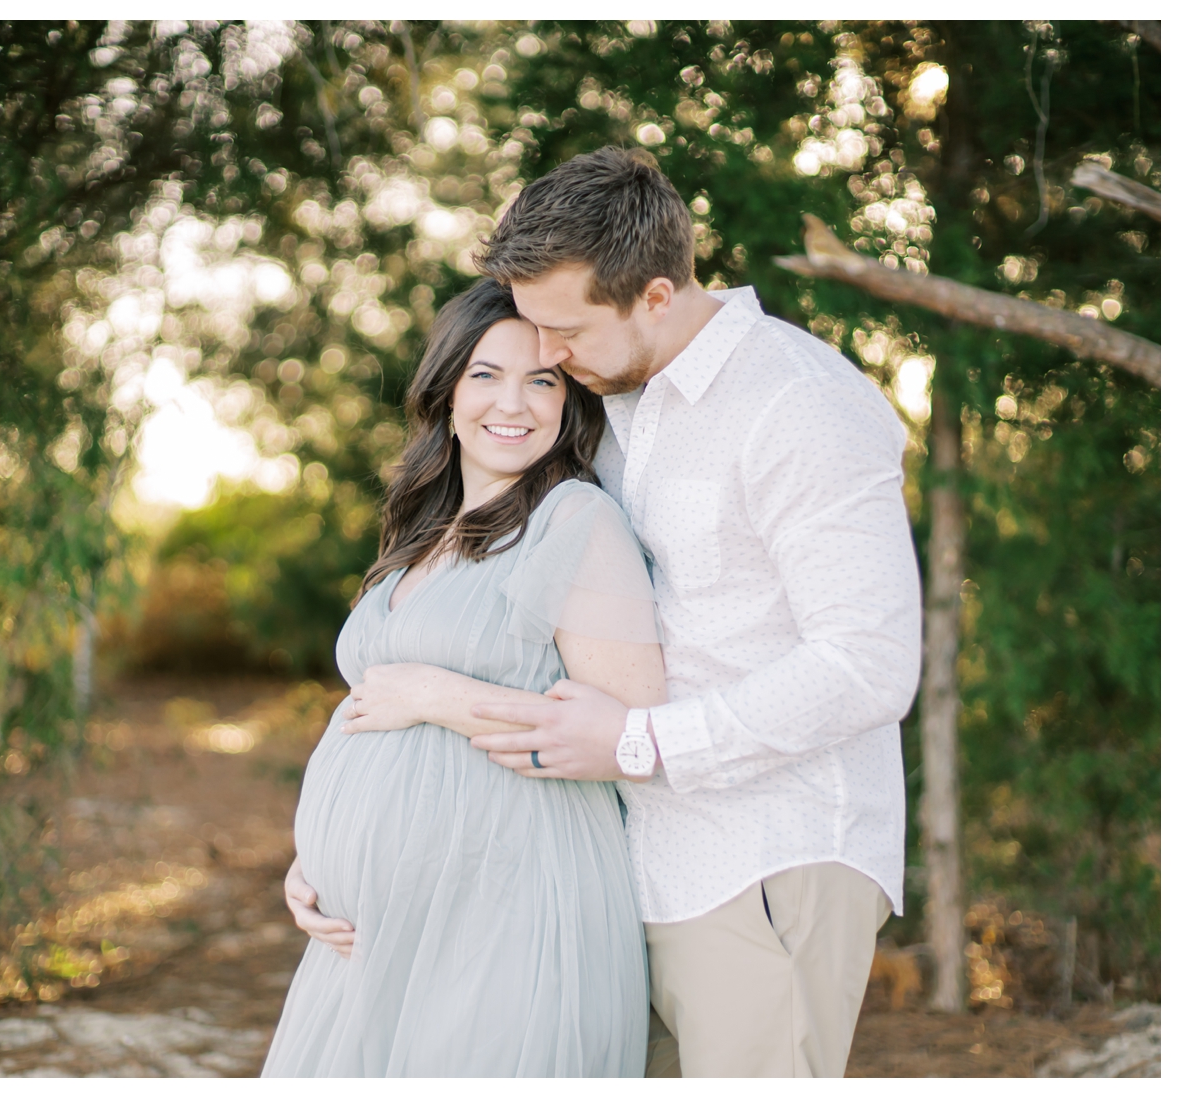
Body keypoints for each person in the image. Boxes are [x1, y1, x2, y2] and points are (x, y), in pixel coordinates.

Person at [293, 147, 923, 1077]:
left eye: (561, 332)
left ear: (656, 296)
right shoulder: (623, 400)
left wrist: (641, 743)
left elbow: (868, 664)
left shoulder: (799, 405)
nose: (544, 354)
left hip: (765, 857)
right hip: (635, 864)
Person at [262, 277, 664, 1077]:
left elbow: (636, 727)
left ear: (567, 400)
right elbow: (373, 714)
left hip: (507, 906)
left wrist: (441, 698)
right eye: (486, 374)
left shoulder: (574, 520)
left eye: (541, 380)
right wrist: (319, 858)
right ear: (447, 390)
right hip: (375, 935)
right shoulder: (422, 532)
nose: (512, 402)